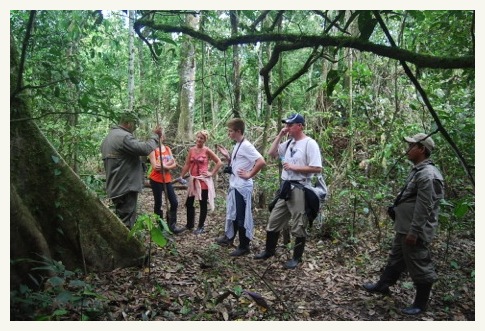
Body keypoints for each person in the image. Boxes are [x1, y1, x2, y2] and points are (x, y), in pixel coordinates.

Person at [362, 133, 444, 315]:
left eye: (412, 145)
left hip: (414, 230)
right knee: (397, 257)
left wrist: (414, 232)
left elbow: (425, 207)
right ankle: (383, 285)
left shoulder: (428, 175)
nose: (407, 149)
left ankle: (420, 304)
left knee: (419, 262)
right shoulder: (418, 170)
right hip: (404, 227)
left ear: (422, 149)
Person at [254, 113, 322, 269]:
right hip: (286, 188)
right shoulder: (289, 143)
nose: (288, 128)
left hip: (300, 187)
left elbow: (317, 168)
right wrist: (280, 135)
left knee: (299, 223)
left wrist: (294, 167)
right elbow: (271, 154)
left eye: (290, 125)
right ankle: (269, 251)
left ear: (300, 126)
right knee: (274, 220)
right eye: (287, 125)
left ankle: (296, 259)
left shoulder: (309, 144)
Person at [214, 118, 266, 256]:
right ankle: (229, 237)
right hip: (235, 184)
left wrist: (249, 174)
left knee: (241, 216)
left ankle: (244, 246)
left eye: (230, 131)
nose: (228, 133)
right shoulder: (238, 144)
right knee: (233, 213)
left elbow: (261, 161)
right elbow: (239, 162)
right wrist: (228, 157)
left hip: (242, 187)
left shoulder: (246, 145)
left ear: (238, 131)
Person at [101, 112, 162, 229]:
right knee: (126, 224)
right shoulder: (123, 137)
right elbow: (145, 149)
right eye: (134, 124)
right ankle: (124, 246)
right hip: (125, 187)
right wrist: (155, 136)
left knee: (121, 219)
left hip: (116, 186)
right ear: (128, 123)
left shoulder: (109, 137)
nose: (135, 128)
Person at [179, 130, 223, 234]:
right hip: (193, 179)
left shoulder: (207, 150)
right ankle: (189, 225)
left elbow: (219, 162)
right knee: (189, 202)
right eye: (198, 137)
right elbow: (187, 164)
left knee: (202, 203)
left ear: (205, 140)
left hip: (203, 180)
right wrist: (181, 175)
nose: (199, 139)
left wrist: (211, 173)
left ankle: (200, 226)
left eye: (201, 138)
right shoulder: (191, 150)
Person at [148, 131, 184, 234]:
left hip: (167, 179)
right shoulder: (152, 150)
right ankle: (161, 227)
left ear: (163, 137)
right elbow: (156, 167)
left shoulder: (167, 149)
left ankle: (172, 225)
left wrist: (165, 166)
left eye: (161, 135)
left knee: (174, 202)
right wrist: (168, 164)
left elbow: (174, 164)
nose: (160, 137)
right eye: (157, 136)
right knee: (158, 203)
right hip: (156, 180)